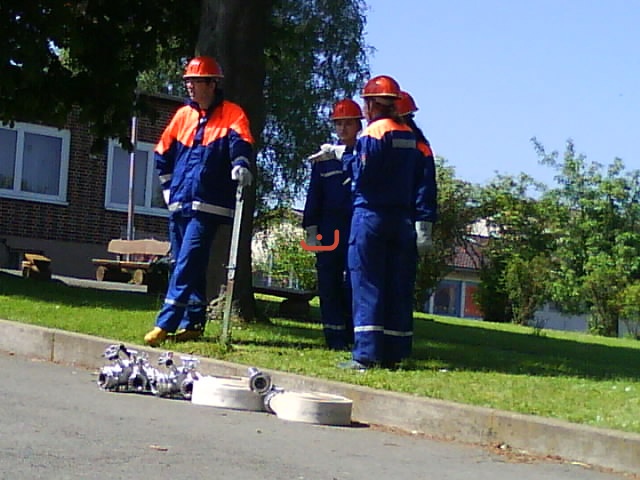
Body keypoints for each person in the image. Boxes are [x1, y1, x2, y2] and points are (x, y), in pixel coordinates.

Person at [320, 75, 431, 370]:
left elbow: (363, 175)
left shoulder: (374, 132)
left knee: (366, 283)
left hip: (371, 215)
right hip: (402, 218)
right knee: (395, 286)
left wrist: (343, 156)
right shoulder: (409, 135)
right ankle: (395, 352)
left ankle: (366, 354)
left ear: (370, 104)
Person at [144, 55, 254, 346]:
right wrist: (168, 190)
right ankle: (193, 322)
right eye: (188, 81)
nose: (190, 86)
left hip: (208, 204)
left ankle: (165, 322)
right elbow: (162, 153)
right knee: (184, 262)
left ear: (212, 84)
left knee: (188, 261)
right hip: (180, 202)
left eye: (196, 81)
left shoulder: (232, 114)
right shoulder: (183, 116)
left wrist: (240, 165)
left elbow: (241, 144)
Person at [302, 99, 363, 350]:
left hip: (356, 227)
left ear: (358, 125)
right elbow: (314, 194)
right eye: (338, 124)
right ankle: (333, 336)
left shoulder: (364, 154)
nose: (343, 129)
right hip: (330, 229)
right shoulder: (324, 159)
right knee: (328, 281)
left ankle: (352, 334)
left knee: (353, 283)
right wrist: (310, 227)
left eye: (348, 123)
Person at [396, 91, 438, 249]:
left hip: (405, 220)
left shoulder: (420, 149)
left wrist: (423, 225)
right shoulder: (377, 143)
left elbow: (425, 187)